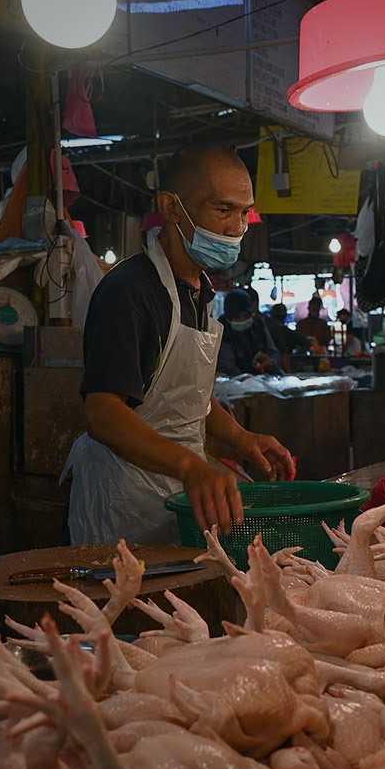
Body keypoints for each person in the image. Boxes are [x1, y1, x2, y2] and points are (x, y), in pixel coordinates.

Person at [68, 143, 295, 545]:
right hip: (124, 506)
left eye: (244, 212)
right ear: (172, 208)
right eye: (223, 210)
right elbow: (102, 412)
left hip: (183, 496)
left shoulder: (199, 292)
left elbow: (191, 401)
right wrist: (191, 467)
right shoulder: (128, 291)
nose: (237, 228)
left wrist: (242, 440)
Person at [217, 291, 278, 376]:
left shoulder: (258, 324)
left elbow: (273, 352)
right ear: (229, 316)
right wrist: (246, 379)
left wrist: (270, 361)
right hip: (235, 382)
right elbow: (227, 366)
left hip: (264, 378)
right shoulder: (221, 329)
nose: (242, 319)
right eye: (236, 317)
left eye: (245, 315)